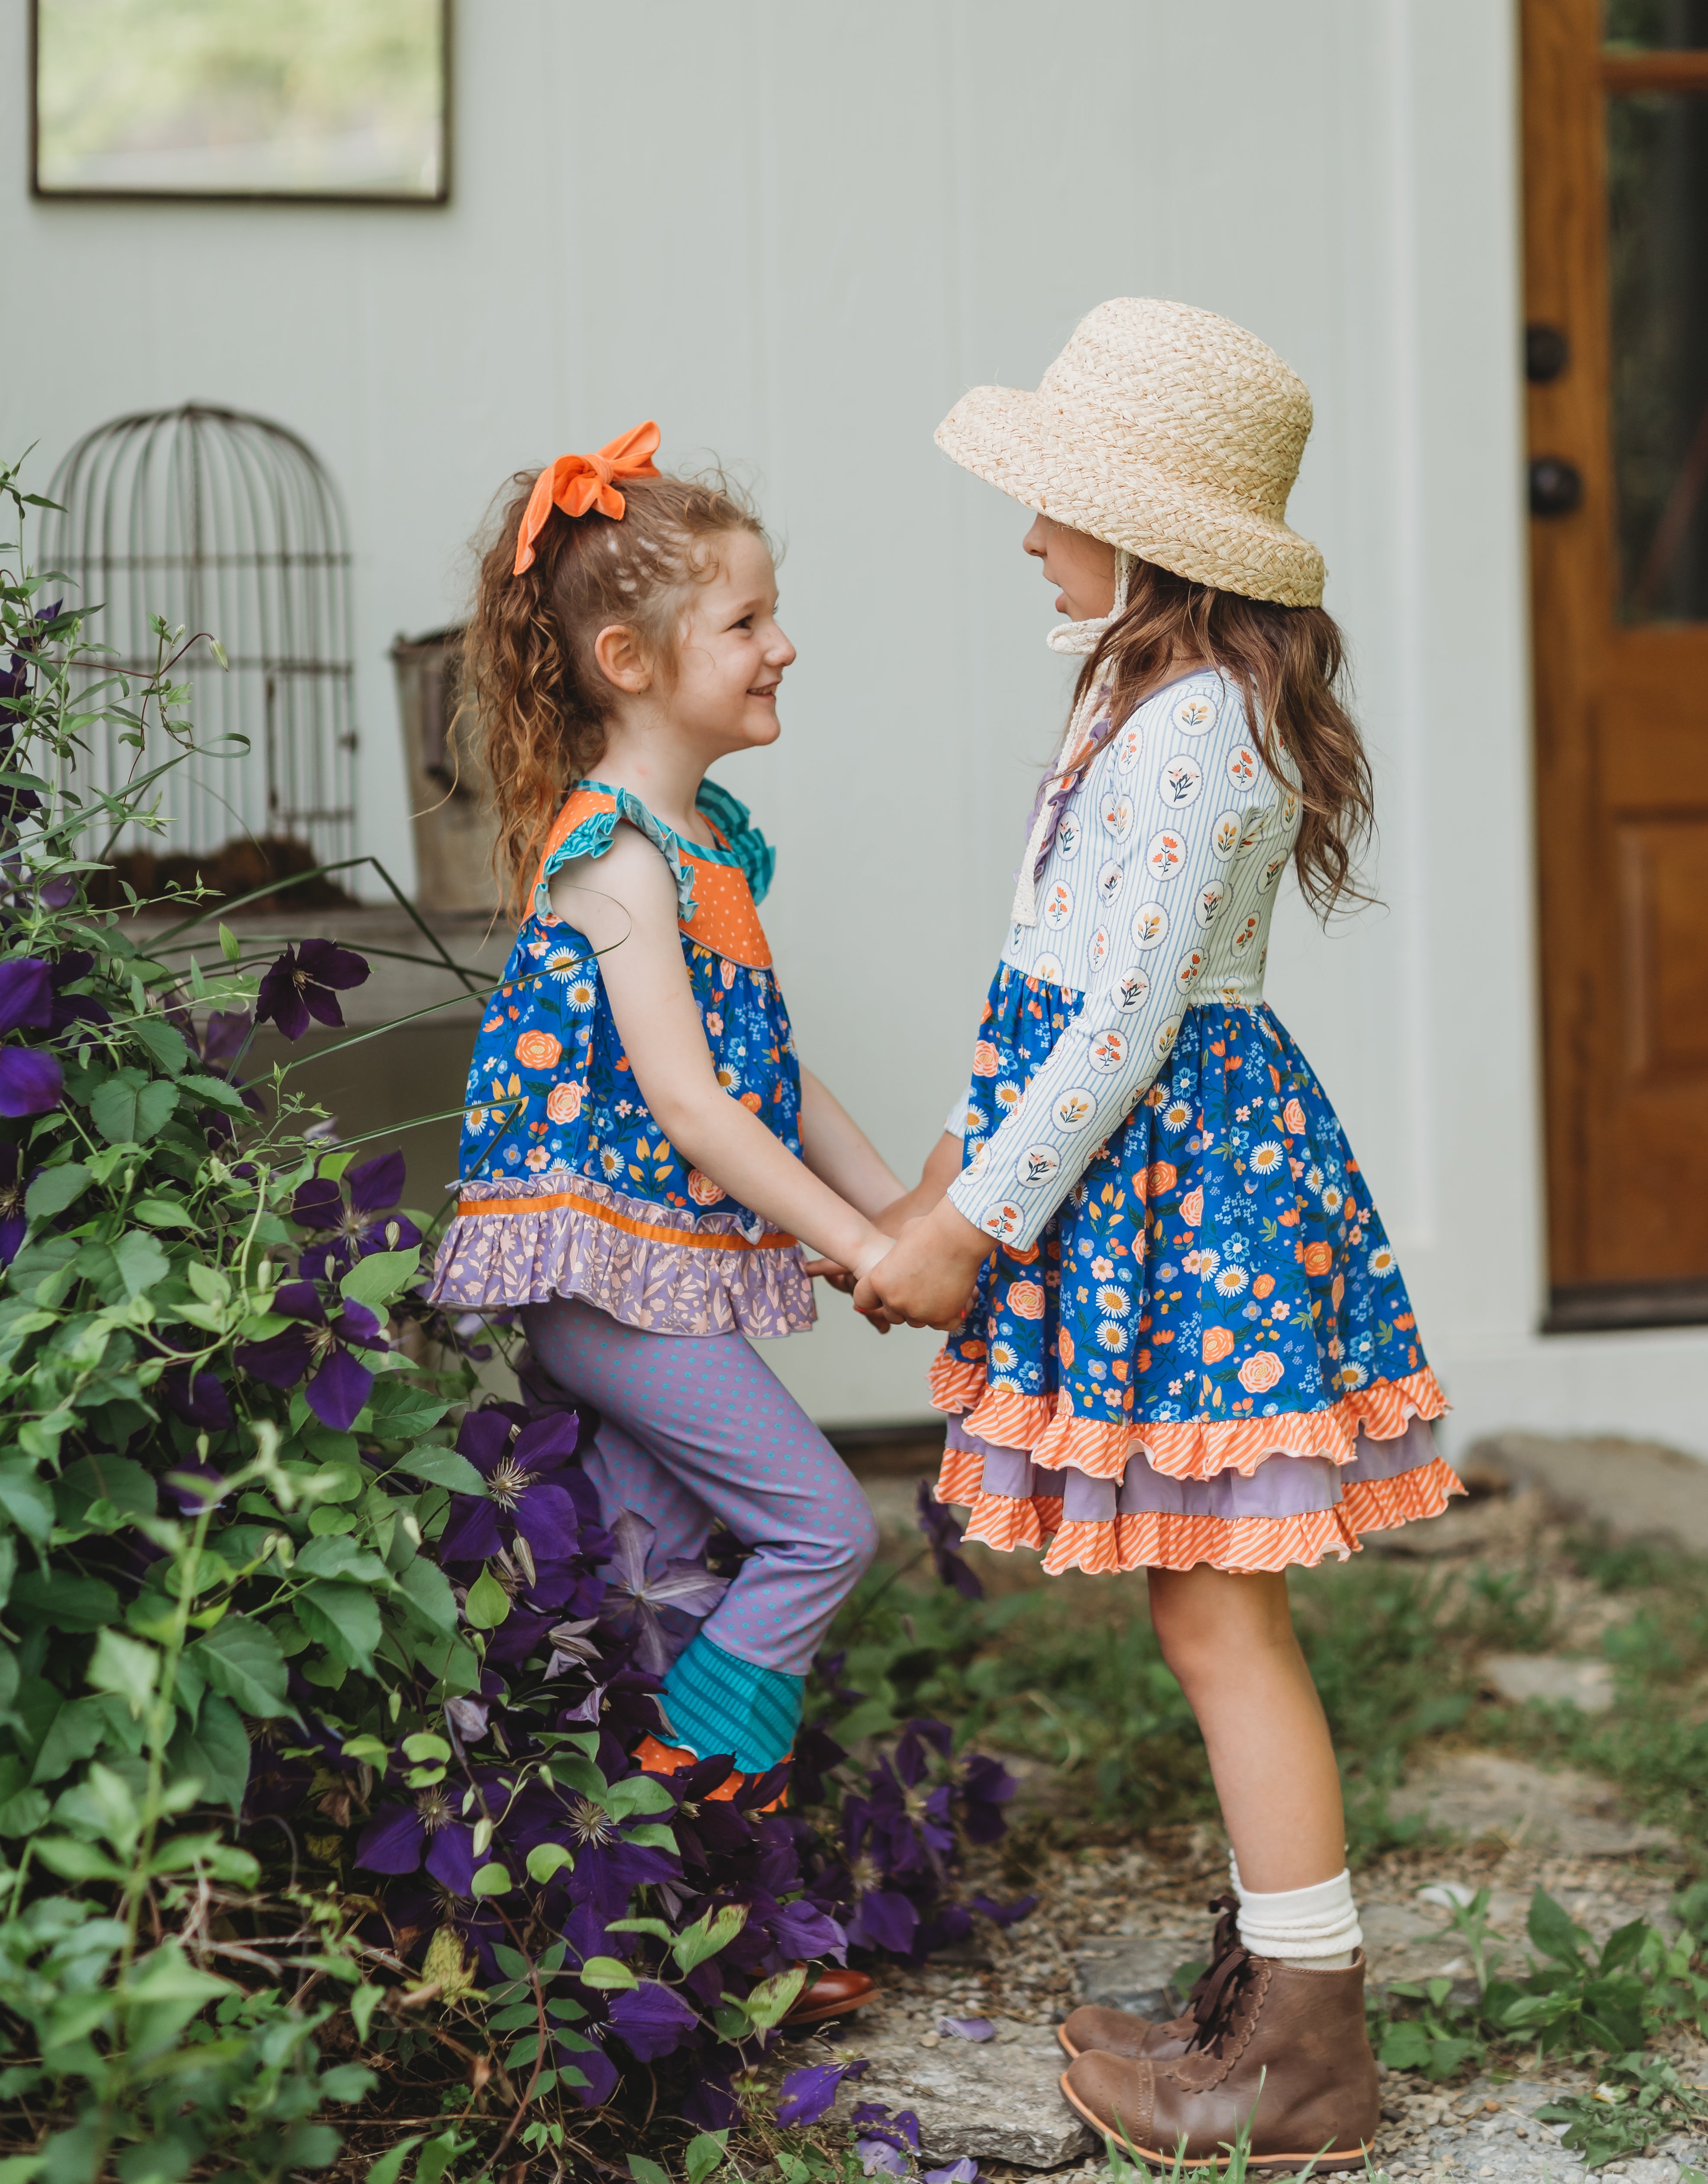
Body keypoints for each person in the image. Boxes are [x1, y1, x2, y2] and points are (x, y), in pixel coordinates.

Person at [854, 302, 1464, 2167]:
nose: (1026, 526)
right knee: (1203, 1602)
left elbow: (1122, 1027)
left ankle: (1308, 2052)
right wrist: (942, 1175)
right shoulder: (1130, 690)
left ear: (1152, 531)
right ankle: (1279, 1996)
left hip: (1183, 1195)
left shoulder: (1202, 721)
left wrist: (970, 1220)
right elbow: (1042, 986)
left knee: (1217, 1604)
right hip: (1127, 1184)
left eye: (1054, 497)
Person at [434, 424, 899, 2024]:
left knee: (658, 1584)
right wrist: (855, 1246)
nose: (783, 645)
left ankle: (667, 1935)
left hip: (653, 1264)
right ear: (628, 659)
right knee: (822, 1530)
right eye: (748, 622)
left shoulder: (709, 843)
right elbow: (698, 1112)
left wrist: (897, 1206)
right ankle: (689, 1792)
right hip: (603, 1271)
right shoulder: (615, 853)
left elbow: (776, 1070)